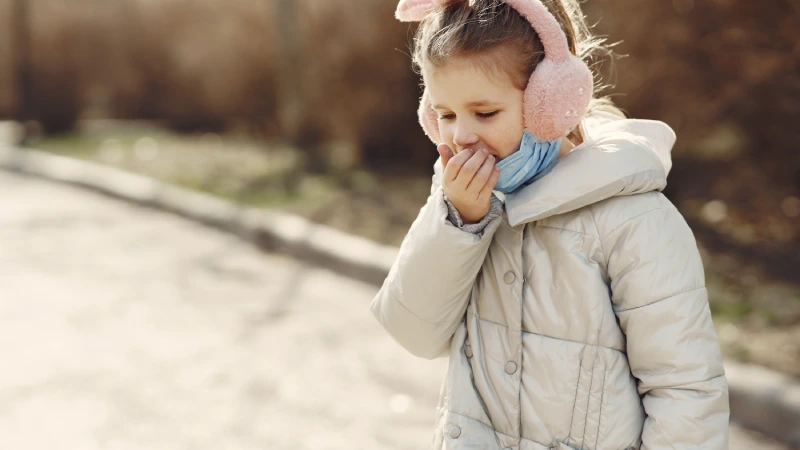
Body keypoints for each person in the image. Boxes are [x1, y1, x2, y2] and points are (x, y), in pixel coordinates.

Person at [370, 0, 730, 448]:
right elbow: (414, 332)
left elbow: (686, 393)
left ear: (552, 104)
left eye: (484, 113)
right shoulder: (460, 205)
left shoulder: (634, 221)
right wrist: (459, 223)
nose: (460, 135)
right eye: (445, 114)